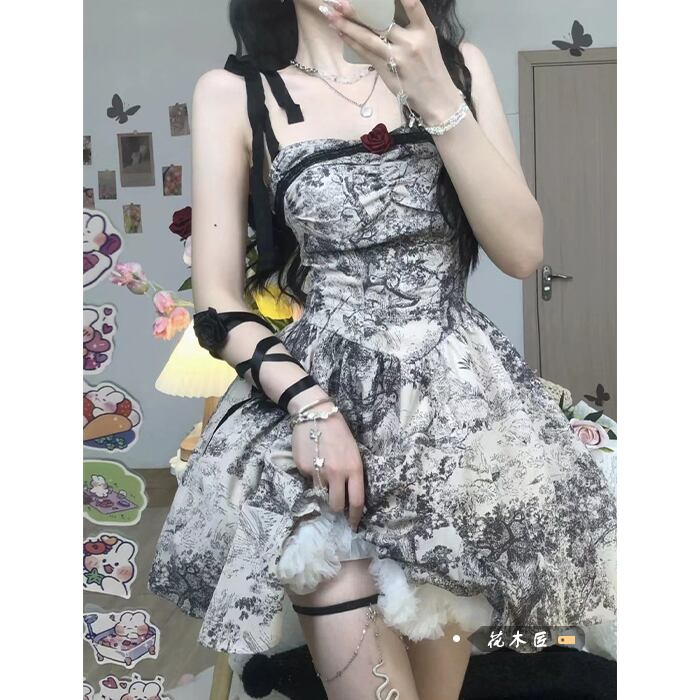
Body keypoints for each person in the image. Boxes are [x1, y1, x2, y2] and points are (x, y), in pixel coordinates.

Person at [148, 1, 617, 698]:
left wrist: (437, 96)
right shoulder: (234, 93)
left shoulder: (459, 69)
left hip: (455, 417)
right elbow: (218, 301)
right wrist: (309, 406)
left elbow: (522, 253)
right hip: (319, 403)